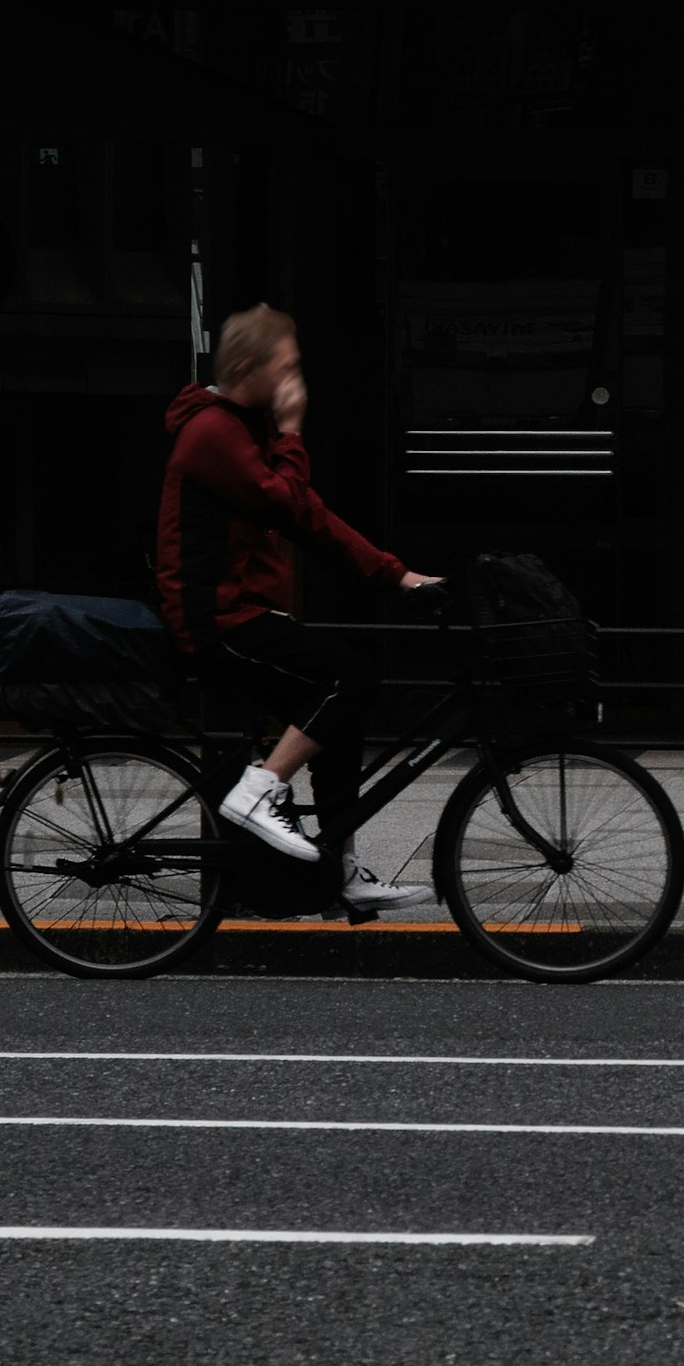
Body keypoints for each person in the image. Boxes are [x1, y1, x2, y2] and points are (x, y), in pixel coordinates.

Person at [155, 303, 438, 913]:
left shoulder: (237, 426)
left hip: (246, 613)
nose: (294, 382)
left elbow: (311, 518)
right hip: (217, 621)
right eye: (286, 368)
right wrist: (291, 431)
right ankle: (259, 790)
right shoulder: (212, 432)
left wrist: (395, 575)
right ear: (250, 367)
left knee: (338, 720)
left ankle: (339, 870)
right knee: (352, 675)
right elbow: (288, 505)